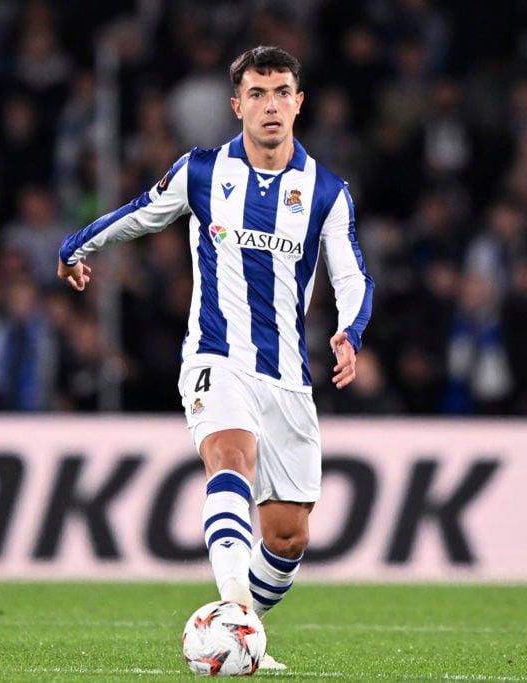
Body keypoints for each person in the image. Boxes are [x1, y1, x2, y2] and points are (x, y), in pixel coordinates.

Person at [57, 45, 374, 670]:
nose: (271, 105)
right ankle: (231, 616)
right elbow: (141, 215)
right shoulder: (203, 173)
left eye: (282, 91)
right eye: (257, 94)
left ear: (299, 102)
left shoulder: (327, 191)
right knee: (230, 456)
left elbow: (352, 273)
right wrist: (77, 244)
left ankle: (238, 630)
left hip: (288, 375)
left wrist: (350, 331)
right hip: (215, 356)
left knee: (288, 535)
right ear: (237, 106)